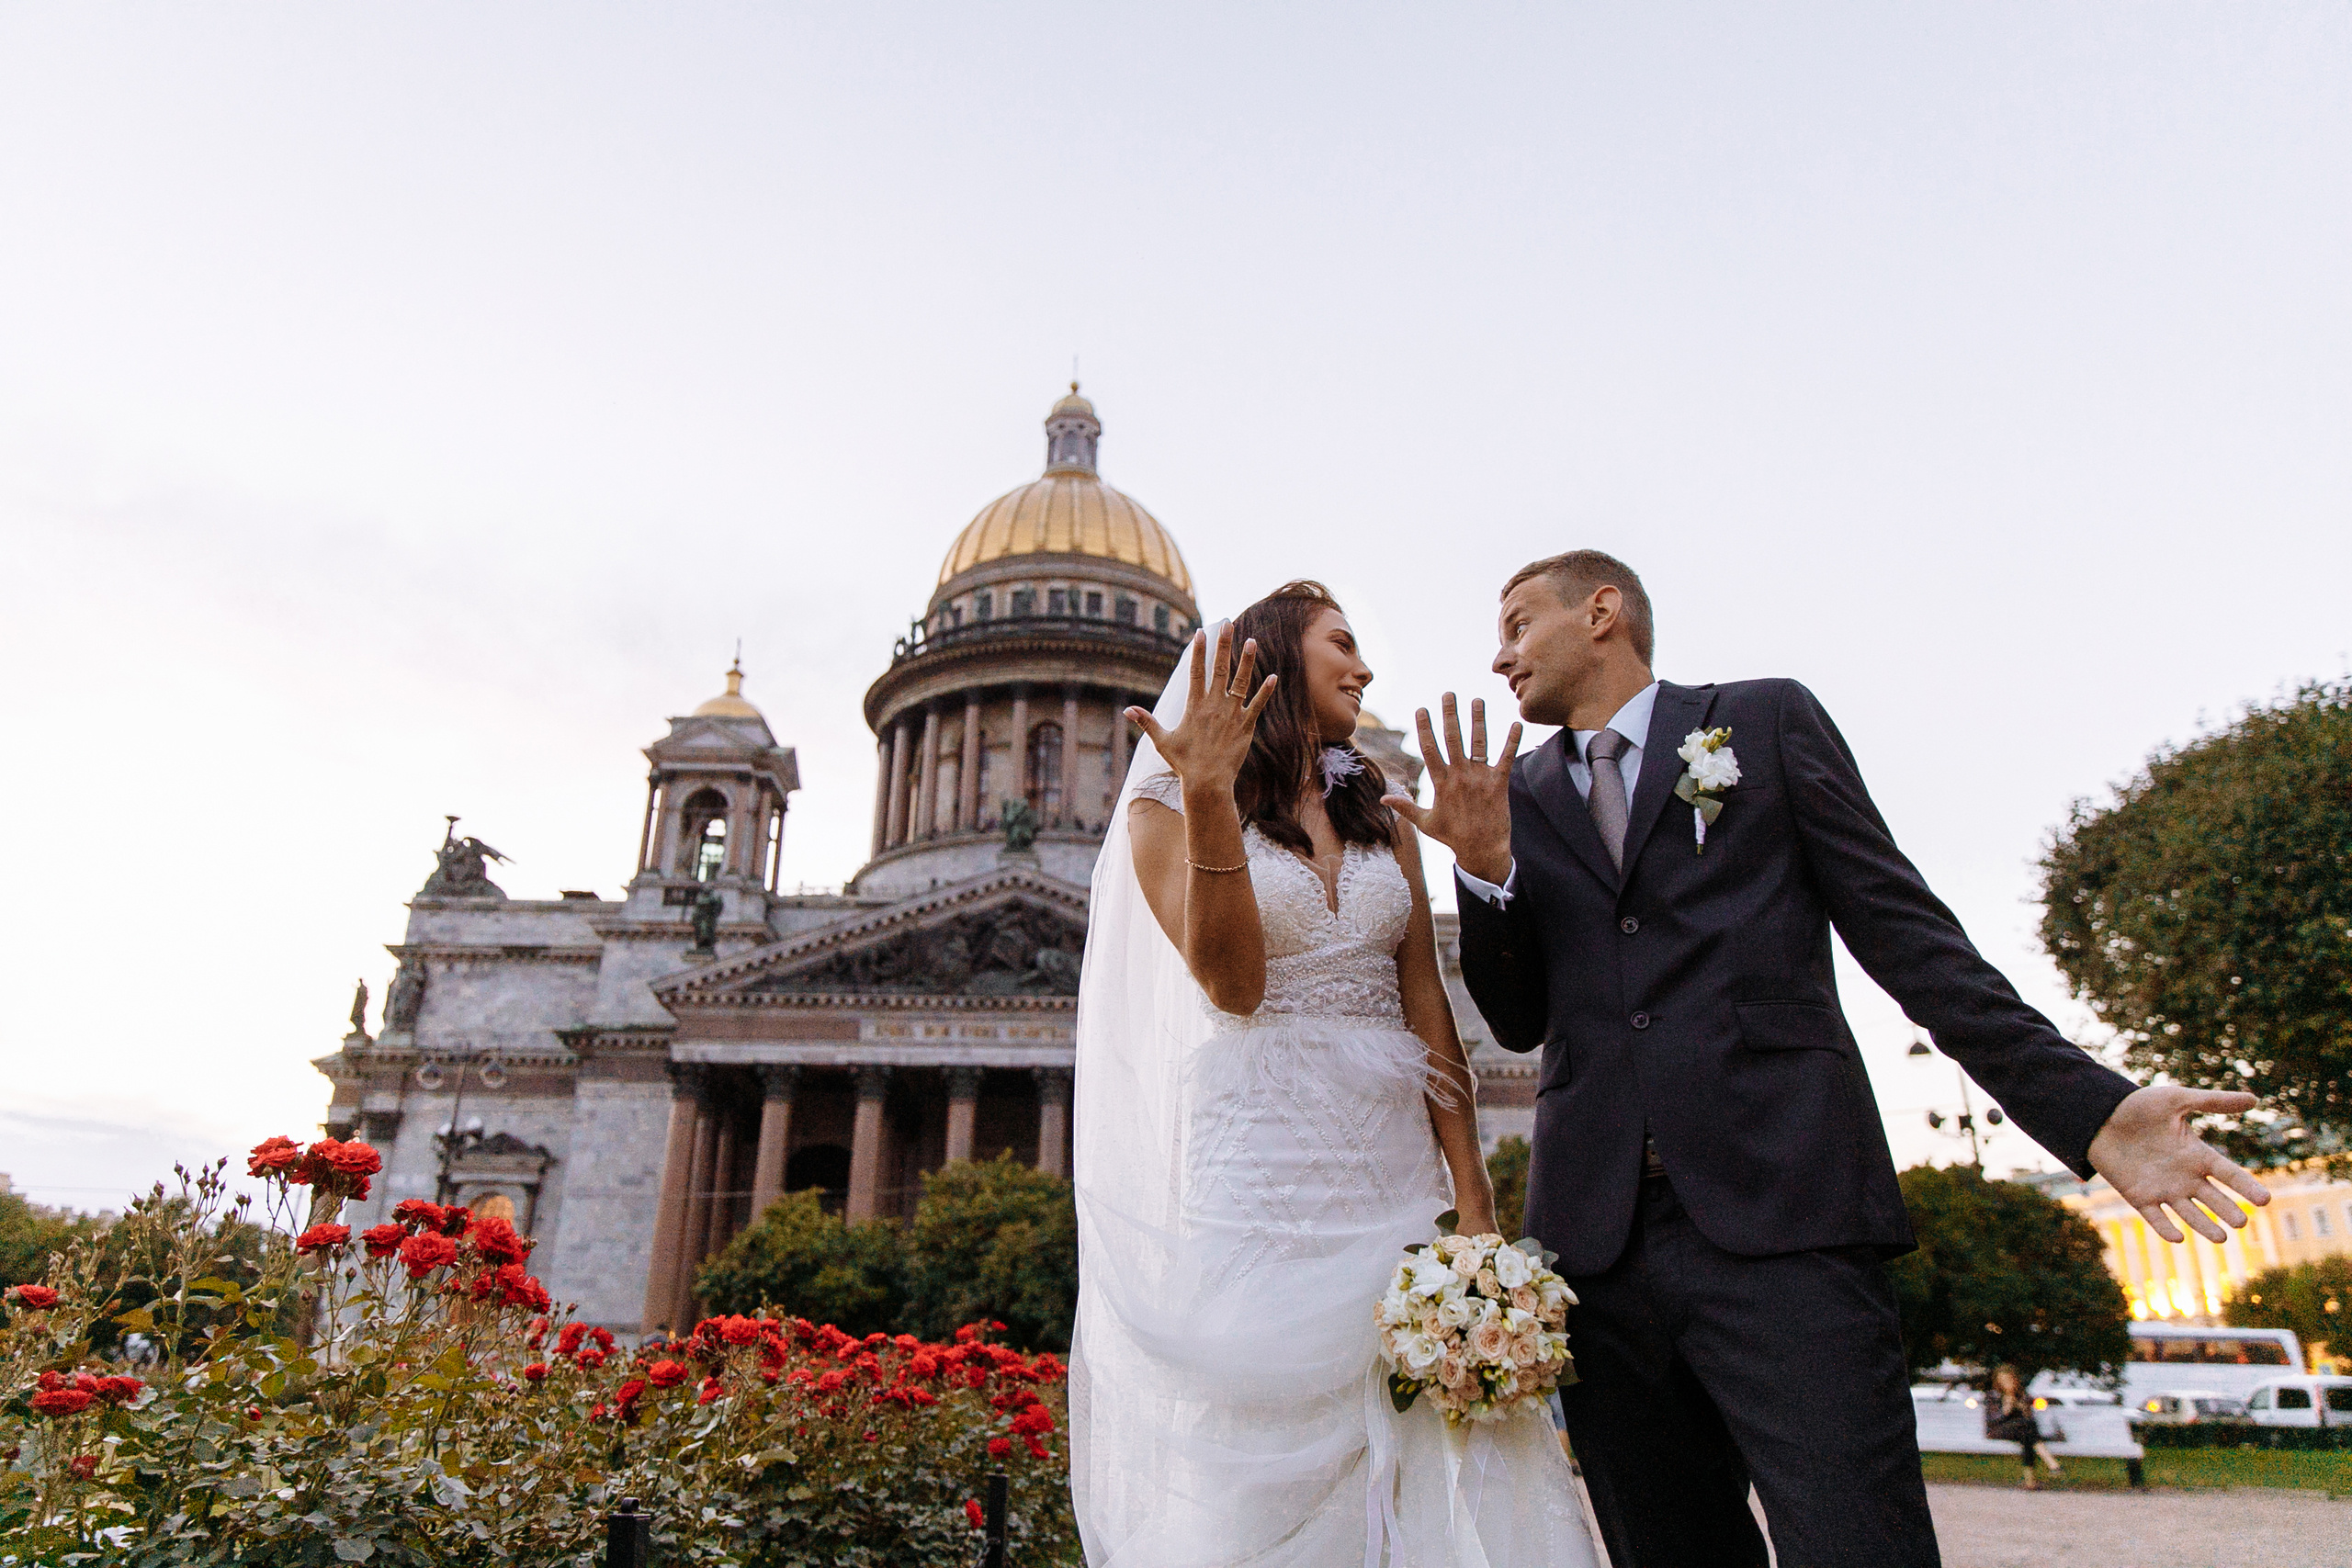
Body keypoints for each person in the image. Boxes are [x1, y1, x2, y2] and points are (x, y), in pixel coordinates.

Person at [1390, 548, 2272, 1568]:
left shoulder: (1761, 721)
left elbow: (1907, 934)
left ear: (1602, 611)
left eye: (1516, 626)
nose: (1498, 658)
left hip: (1788, 1219)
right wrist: (1485, 871)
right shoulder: (1515, 793)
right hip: (1598, 1250)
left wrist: (2089, 1109)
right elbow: (1517, 1020)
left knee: (1860, 1544)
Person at [1069, 582, 1600, 1568]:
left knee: (1423, 1434)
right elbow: (1233, 986)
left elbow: (1425, 1002)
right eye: (1342, 644)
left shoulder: (1379, 812)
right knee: (1274, 1447)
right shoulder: (1168, 806)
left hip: (1391, 1166)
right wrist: (1208, 797)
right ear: (1274, 658)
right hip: (1262, 1165)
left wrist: (1474, 1199)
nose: (1363, 667)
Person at [1985, 1365, 2059, 1487]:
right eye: (2003, 1380)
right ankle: (2052, 1464)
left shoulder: (2022, 1395)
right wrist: (2006, 1409)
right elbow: (1992, 1420)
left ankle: (2030, 1482)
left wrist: (2022, 1407)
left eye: (2009, 1380)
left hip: (2020, 1432)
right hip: (1999, 1429)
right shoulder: (1994, 1395)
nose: (2006, 1383)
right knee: (2026, 1429)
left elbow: (2029, 1418)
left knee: (2027, 1437)